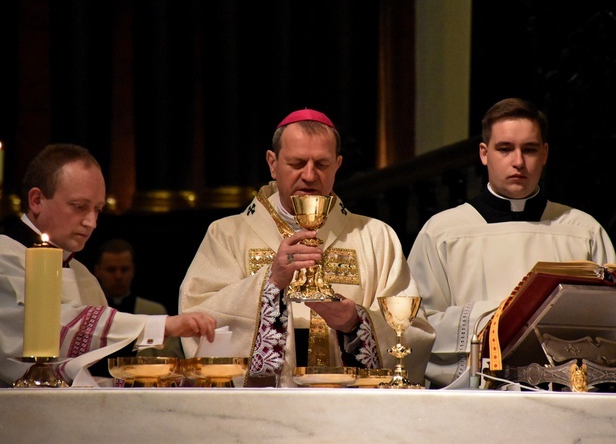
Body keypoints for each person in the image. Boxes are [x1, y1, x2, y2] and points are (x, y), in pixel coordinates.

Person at [179, 109, 435, 387]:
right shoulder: (227, 234)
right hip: (260, 410)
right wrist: (271, 282)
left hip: (352, 410)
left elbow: (413, 332)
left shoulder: (375, 236)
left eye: (322, 164)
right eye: (297, 163)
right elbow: (196, 320)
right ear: (273, 163)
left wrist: (355, 323)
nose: (310, 175)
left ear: (338, 165)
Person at [407, 98, 616, 388]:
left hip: (566, 393)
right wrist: (497, 319)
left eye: (529, 149)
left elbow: (611, 323)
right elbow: (418, 328)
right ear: (484, 153)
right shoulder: (443, 232)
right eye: (504, 149)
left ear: (544, 154)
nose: (518, 161)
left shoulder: (582, 230)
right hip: (475, 395)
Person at [0, 144, 216, 387]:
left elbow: (79, 368)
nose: (91, 222)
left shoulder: (80, 273)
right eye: (79, 207)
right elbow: (45, 337)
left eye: (97, 210)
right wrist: (160, 325)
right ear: (36, 200)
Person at [94, 238, 184, 359]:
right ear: (97, 271)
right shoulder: (90, 313)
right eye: (111, 269)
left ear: (133, 270)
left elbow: (170, 358)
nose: (118, 276)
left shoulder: (154, 311)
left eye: (124, 269)